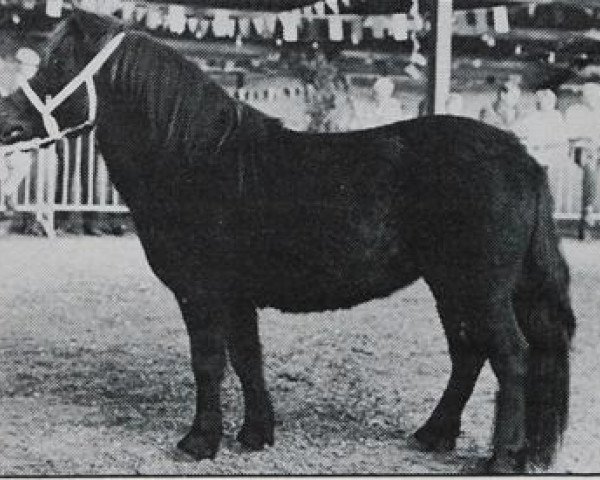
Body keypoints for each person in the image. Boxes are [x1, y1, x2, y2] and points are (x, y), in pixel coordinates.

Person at [565, 82, 600, 238]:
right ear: (582, 97)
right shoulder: (574, 111)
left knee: (593, 160)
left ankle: (589, 213)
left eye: (595, 96)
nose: (592, 99)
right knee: (590, 163)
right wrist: (588, 140)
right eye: (589, 96)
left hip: (597, 149)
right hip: (581, 150)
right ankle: (588, 212)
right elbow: (570, 135)